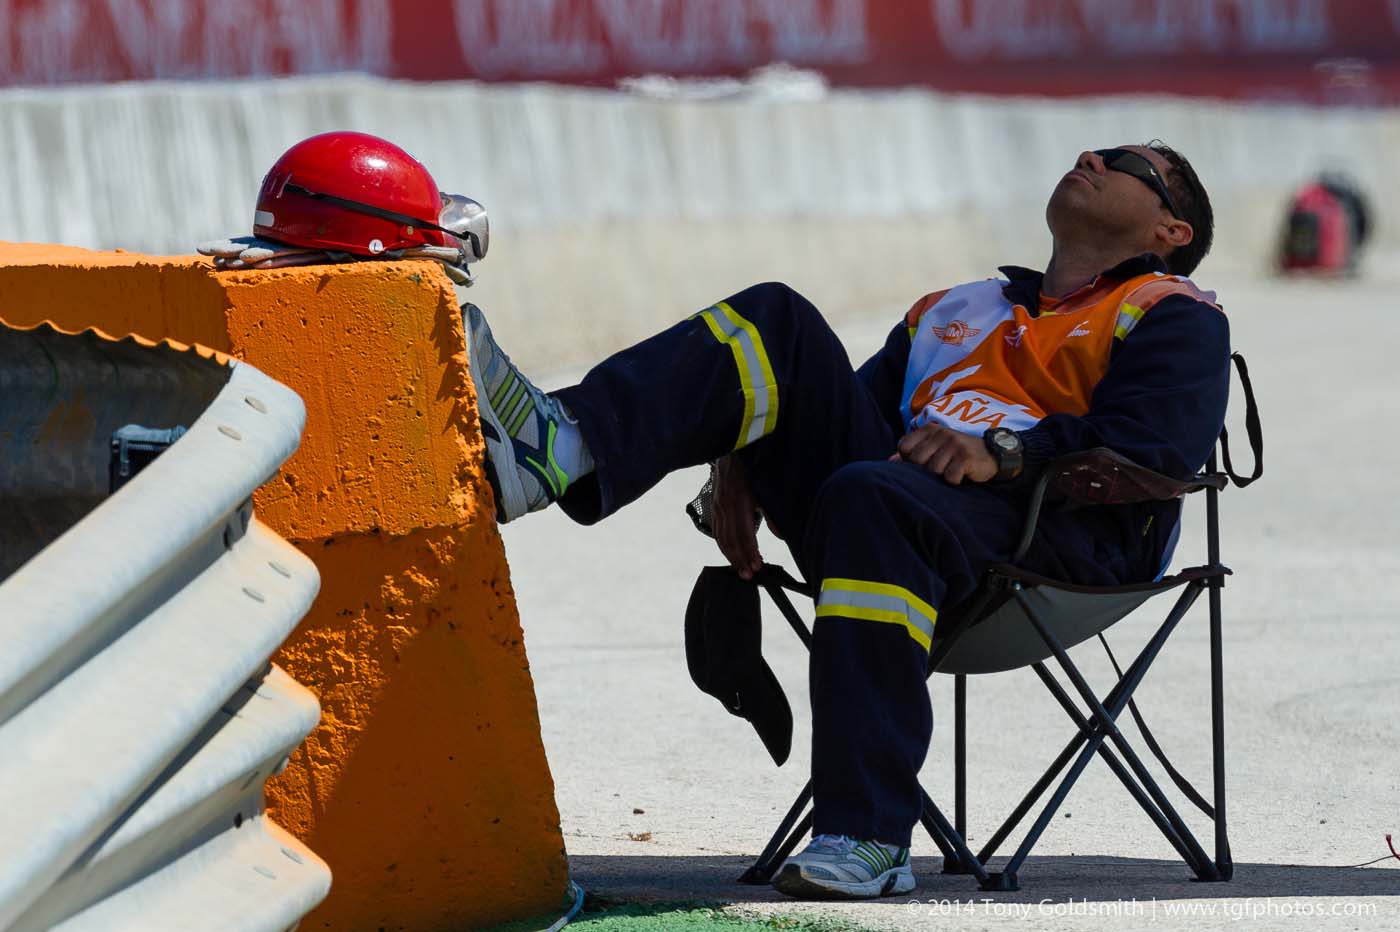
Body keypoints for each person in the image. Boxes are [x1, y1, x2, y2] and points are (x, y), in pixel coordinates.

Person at [208, 133, 1228, 901]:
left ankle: (869, 836)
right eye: (1097, 150)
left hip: (1047, 542)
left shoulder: (1169, 313)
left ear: (1168, 230)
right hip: (893, 518)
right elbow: (842, 418)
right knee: (776, 322)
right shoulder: (952, 308)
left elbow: (1156, 452)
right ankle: (566, 447)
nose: (1094, 156)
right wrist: (740, 459)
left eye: (1132, 165)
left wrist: (1003, 452)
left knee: (872, 493)